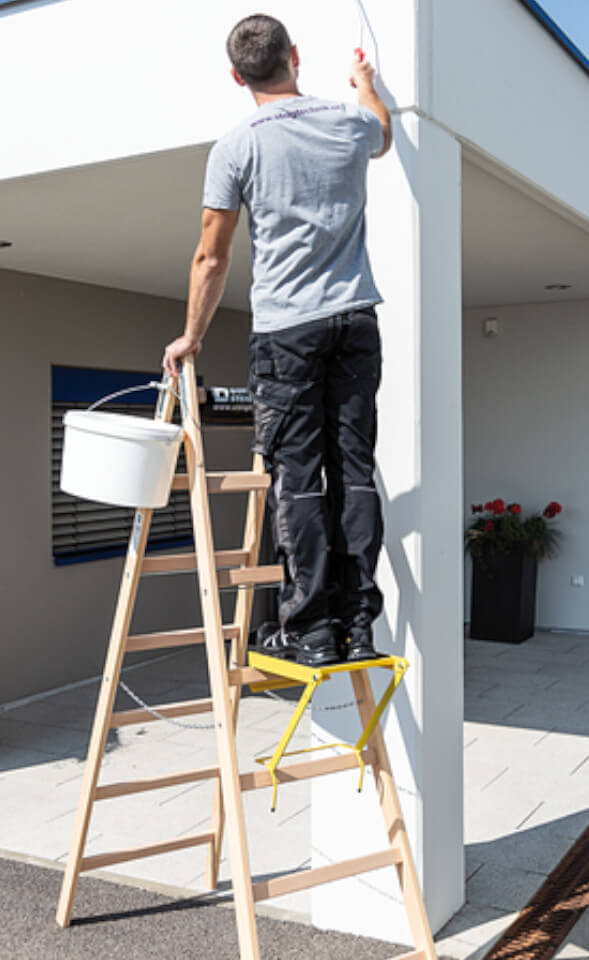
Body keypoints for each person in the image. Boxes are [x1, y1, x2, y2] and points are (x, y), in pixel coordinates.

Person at [162, 14, 392, 667]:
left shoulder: (235, 147)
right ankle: (358, 625)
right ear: (295, 56)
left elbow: (211, 257)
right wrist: (365, 82)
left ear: (238, 76)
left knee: (297, 474)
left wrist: (191, 337)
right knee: (353, 465)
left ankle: (312, 631)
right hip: (355, 319)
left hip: (288, 329)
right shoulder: (348, 122)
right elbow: (385, 133)